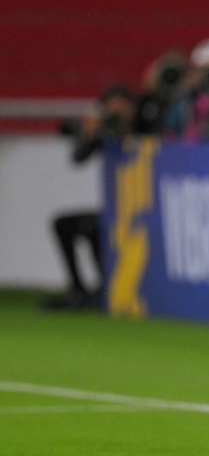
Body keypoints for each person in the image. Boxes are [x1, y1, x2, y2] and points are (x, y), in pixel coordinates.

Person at [45, 85, 136, 310]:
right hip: (115, 209)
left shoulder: (142, 130)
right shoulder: (106, 133)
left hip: (137, 211)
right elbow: (78, 158)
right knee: (64, 224)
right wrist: (91, 133)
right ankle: (79, 289)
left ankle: (105, 289)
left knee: (94, 229)